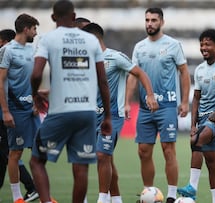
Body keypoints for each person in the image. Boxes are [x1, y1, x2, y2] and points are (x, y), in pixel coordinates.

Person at [29, 1, 112, 203]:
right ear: (74, 16)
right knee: (81, 166)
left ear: (53, 17)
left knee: (36, 161)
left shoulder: (48, 39)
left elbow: (36, 74)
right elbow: (103, 81)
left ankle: (47, 201)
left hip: (60, 111)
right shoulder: (91, 41)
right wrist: (108, 116)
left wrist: (35, 95)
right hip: (87, 112)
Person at [82, 22, 159, 203]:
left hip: (113, 116)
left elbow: (140, 73)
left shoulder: (115, 57)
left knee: (103, 155)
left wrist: (150, 95)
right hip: (91, 116)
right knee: (104, 158)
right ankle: (116, 199)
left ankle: (102, 199)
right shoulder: (84, 60)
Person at [126, 7, 190, 203]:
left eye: (154, 20)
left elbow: (184, 73)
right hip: (145, 109)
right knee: (143, 151)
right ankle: (148, 193)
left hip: (168, 106)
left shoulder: (173, 45)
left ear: (162, 22)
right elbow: (134, 76)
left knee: (168, 149)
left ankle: (171, 195)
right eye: (147, 20)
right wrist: (127, 102)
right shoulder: (139, 47)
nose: (150, 24)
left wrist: (185, 101)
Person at [177, 29, 215, 202]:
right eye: (202, 44)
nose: (204, 47)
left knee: (196, 140)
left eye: (208, 44)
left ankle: (192, 187)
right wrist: (193, 124)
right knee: (212, 164)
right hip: (203, 119)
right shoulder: (199, 69)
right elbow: (196, 98)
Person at [0, 14, 40, 203]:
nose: (36, 33)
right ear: (26, 29)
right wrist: (6, 111)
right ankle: (17, 197)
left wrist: (35, 99)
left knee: (40, 151)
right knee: (15, 153)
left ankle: (43, 194)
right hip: (14, 109)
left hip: (30, 109)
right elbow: (0, 82)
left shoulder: (31, 49)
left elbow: (30, 79)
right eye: (34, 29)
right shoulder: (7, 50)